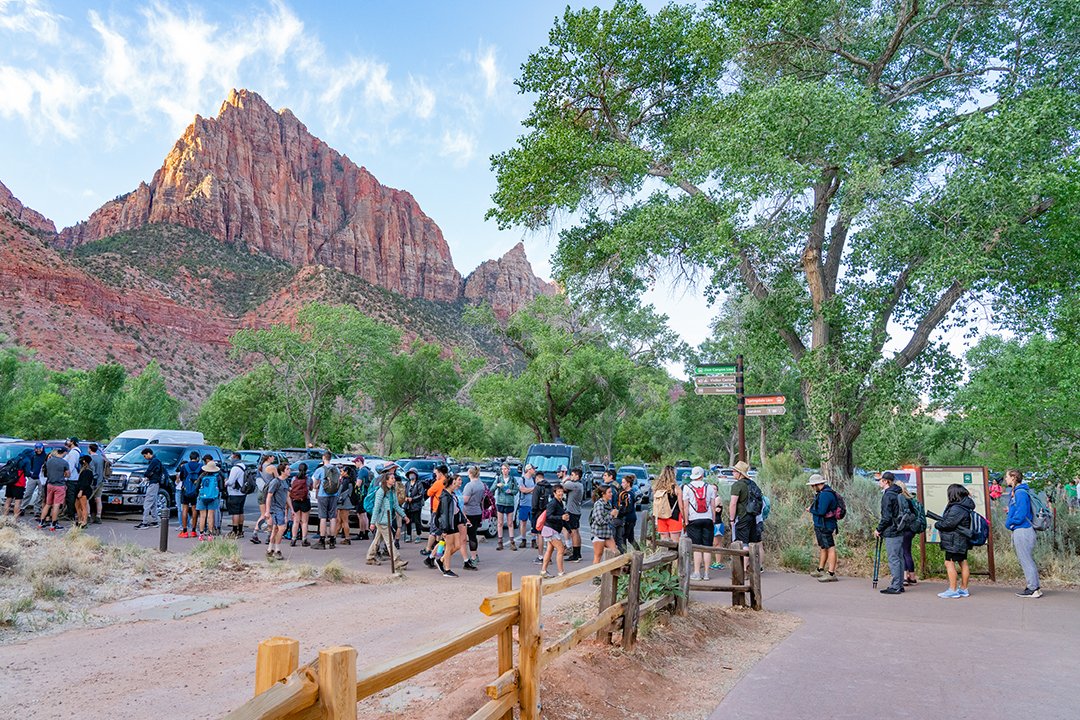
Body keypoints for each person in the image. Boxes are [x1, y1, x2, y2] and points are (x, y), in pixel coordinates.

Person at [1004, 468, 1042, 598]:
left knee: (1026, 559)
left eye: (1007, 476)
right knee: (1027, 559)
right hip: (1024, 529)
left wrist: (1010, 523)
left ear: (1014, 477)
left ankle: (1033, 588)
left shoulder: (1020, 493)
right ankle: (1034, 587)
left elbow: (1022, 513)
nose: (1005, 479)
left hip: (1022, 530)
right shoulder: (1020, 491)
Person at [935, 483, 975, 599]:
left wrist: (938, 524)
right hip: (962, 539)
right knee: (963, 562)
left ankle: (953, 589)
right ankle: (963, 588)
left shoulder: (956, 508)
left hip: (954, 540)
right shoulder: (965, 506)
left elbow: (949, 523)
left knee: (949, 562)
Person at [367, 467, 409, 570]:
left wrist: (404, 516)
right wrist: (372, 523)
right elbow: (376, 508)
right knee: (389, 541)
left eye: (394, 478)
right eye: (392, 478)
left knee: (377, 539)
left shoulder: (392, 491)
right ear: (386, 481)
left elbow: (396, 506)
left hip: (388, 519)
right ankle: (397, 561)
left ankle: (370, 557)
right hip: (381, 520)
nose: (394, 479)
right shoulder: (381, 491)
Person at [680, 466, 716, 581]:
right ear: (702, 475)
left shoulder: (687, 487)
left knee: (696, 547)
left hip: (693, 519)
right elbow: (713, 505)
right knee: (707, 547)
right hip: (708, 518)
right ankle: (706, 573)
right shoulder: (709, 487)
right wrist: (713, 519)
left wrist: (686, 520)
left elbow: (685, 506)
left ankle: (696, 572)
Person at [873, 471, 906, 595]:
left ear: (886, 481)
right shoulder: (898, 493)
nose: (879, 482)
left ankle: (896, 585)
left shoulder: (888, 496)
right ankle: (899, 584)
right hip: (900, 528)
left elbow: (886, 517)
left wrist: (879, 529)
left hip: (892, 530)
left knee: (893, 558)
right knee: (899, 557)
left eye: (881, 480)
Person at [807, 474, 840, 582]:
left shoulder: (825, 495)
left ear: (817, 484)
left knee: (830, 547)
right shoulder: (823, 493)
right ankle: (820, 569)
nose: (812, 488)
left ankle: (831, 573)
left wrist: (811, 509)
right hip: (821, 525)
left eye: (813, 485)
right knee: (823, 547)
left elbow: (821, 511)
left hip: (826, 525)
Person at [728, 461, 762, 565]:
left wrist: (732, 519)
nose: (733, 473)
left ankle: (743, 568)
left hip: (742, 516)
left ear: (739, 473)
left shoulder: (738, 485)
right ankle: (754, 566)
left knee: (743, 543)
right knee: (752, 542)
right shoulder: (752, 483)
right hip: (753, 516)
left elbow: (733, 503)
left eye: (734, 471)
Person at [434, 469, 461, 577]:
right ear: (450, 484)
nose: (456, 485)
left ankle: (441, 560)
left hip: (454, 522)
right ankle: (447, 569)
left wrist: (463, 520)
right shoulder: (445, 497)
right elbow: (444, 514)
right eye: (454, 483)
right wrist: (444, 529)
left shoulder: (451, 495)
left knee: (458, 545)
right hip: (448, 524)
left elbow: (456, 509)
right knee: (449, 546)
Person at [540, 483, 569, 578]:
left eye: (562, 491)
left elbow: (561, 518)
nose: (561, 493)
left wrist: (568, 527)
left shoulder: (560, 502)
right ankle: (561, 572)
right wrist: (561, 517)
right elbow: (549, 516)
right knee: (561, 549)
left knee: (549, 550)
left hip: (552, 529)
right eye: (559, 491)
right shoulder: (553, 503)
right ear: (554, 493)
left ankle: (544, 571)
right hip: (550, 529)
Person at [264, 462, 290, 560]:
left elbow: (287, 497)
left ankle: (270, 549)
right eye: (287, 469)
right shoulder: (276, 482)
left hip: (281, 508)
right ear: (282, 471)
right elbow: (269, 496)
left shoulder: (285, 482)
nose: (289, 471)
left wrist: (292, 509)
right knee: (282, 528)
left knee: (275, 529)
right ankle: (277, 549)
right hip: (276, 509)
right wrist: (267, 511)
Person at [134, 447, 165, 530]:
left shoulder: (154, 461)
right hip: (156, 483)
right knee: (153, 502)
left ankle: (145, 522)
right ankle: (155, 520)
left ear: (148, 454)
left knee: (147, 503)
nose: (145, 458)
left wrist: (146, 476)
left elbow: (147, 472)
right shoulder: (157, 461)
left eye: (145, 456)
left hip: (153, 483)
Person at [40, 447, 69, 530]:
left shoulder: (49, 461)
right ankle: (53, 524)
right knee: (56, 505)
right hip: (59, 485)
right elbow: (68, 474)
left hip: (49, 484)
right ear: (64, 453)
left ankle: (41, 522)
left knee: (48, 504)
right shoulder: (64, 462)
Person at [462, 466, 485, 568]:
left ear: (470, 474)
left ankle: (473, 557)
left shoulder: (469, 485)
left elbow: (465, 500)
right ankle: (475, 554)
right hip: (477, 511)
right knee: (473, 534)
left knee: (470, 536)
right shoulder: (481, 484)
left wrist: (459, 499)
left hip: (469, 512)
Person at [194, 459, 223, 540]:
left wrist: (199, 494)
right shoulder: (217, 476)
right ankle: (210, 534)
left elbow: (197, 487)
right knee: (211, 516)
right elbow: (221, 488)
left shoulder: (202, 475)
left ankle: (201, 534)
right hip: (213, 497)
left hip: (202, 497)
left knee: (202, 516)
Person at [897, 482, 919, 586]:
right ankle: (913, 577)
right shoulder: (910, 500)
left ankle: (905, 576)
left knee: (903, 553)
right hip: (911, 529)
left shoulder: (899, 499)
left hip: (903, 528)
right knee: (908, 552)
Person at [590, 484, 618, 565]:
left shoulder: (608, 504)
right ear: (603, 494)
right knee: (598, 556)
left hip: (607, 534)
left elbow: (608, 519)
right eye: (609, 492)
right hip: (598, 534)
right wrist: (611, 515)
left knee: (615, 553)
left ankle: (608, 575)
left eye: (611, 492)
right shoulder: (599, 504)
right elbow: (599, 521)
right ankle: (596, 576)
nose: (611, 494)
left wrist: (614, 514)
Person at [652, 465, 682, 543]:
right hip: (674, 516)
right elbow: (681, 506)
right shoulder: (676, 488)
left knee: (664, 542)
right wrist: (685, 519)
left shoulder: (657, 488)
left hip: (661, 517)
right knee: (675, 542)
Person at [19, 442, 48, 518]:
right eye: (37, 448)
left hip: (41, 478)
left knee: (40, 495)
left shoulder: (46, 456)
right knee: (28, 493)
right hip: (33, 477)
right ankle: (22, 508)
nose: (38, 450)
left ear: (42, 448)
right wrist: (30, 474)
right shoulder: (33, 456)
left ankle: (37, 510)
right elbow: (29, 466)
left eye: (39, 448)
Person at [493, 463, 518, 551]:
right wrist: (497, 485)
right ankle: (500, 542)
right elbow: (492, 489)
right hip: (500, 502)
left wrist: (510, 491)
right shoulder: (499, 478)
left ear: (509, 470)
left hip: (509, 503)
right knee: (500, 523)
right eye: (503, 469)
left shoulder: (513, 479)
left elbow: (516, 490)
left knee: (510, 523)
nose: (504, 471)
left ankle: (512, 542)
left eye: (506, 469)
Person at [562, 468, 585, 562]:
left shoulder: (575, 485)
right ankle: (578, 553)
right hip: (576, 511)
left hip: (572, 511)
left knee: (573, 532)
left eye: (572, 475)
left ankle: (575, 555)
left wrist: (566, 478)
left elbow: (564, 484)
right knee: (576, 532)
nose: (571, 476)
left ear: (577, 476)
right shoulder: (579, 485)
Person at [176, 451, 201, 538]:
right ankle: (193, 531)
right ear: (197, 458)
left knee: (185, 509)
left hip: (185, 490)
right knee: (194, 509)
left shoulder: (185, 466)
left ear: (190, 458)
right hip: (196, 491)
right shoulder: (200, 466)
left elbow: (182, 478)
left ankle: (184, 531)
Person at [531, 471, 555, 561]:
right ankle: (549, 556)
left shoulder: (537, 487)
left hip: (539, 513)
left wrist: (533, 514)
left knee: (540, 535)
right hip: (549, 513)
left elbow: (534, 503)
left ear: (537, 478)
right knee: (549, 536)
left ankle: (541, 556)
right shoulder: (550, 487)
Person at [225, 452, 247, 539]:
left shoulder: (235, 468)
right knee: (241, 511)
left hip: (235, 492)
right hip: (243, 492)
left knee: (235, 512)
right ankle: (240, 530)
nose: (231, 459)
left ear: (236, 457)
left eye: (232, 457)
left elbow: (231, 482)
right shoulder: (244, 466)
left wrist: (225, 482)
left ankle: (234, 531)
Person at [614, 474, 637, 552]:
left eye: (623, 482)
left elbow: (627, 508)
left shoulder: (628, 494)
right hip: (631, 517)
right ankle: (640, 552)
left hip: (628, 518)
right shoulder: (628, 492)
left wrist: (619, 514)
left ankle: (624, 554)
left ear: (628, 483)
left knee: (623, 537)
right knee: (630, 538)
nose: (622, 484)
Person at [402, 469, 425, 543]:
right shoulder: (407, 483)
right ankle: (409, 535)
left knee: (417, 521)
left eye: (412, 474)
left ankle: (418, 535)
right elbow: (404, 492)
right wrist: (405, 498)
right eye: (410, 474)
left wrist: (413, 499)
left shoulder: (419, 484)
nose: (411, 475)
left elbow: (421, 495)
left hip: (416, 505)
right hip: (408, 505)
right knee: (408, 520)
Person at [517, 464, 536, 549]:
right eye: (533, 469)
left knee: (533, 523)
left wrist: (528, 490)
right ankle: (523, 540)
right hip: (524, 504)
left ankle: (533, 540)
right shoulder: (522, 479)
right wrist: (532, 489)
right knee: (523, 522)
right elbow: (522, 490)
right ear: (529, 469)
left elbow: (535, 491)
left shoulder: (534, 479)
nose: (534, 470)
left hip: (533, 504)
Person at [354, 457, 372, 540]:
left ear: (359, 462)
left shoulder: (362, 471)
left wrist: (355, 492)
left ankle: (362, 532)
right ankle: (365, 532)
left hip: (361, 494)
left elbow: (358, 484)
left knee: (360, 514)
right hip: (366, 494)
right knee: (364, 514)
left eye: (356, 462)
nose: (355, 464)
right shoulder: (367, 470)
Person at [88, 443, 106, 524]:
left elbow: (92, 470)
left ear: (90, 449)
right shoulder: (101, 458)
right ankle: (98, 516)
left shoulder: (91, 459)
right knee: (98, 499)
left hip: (93, 482)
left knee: (87, 499)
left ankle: (88, 515)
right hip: (101, 480)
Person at [74, 455, 93, 528]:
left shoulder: (87, 471)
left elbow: (85, 483)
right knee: (77, 506)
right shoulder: (83, 470)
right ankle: (80, 519)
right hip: (79, 489)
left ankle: (84, 521)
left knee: (83, 506)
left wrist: (81, 491)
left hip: (83, 491)